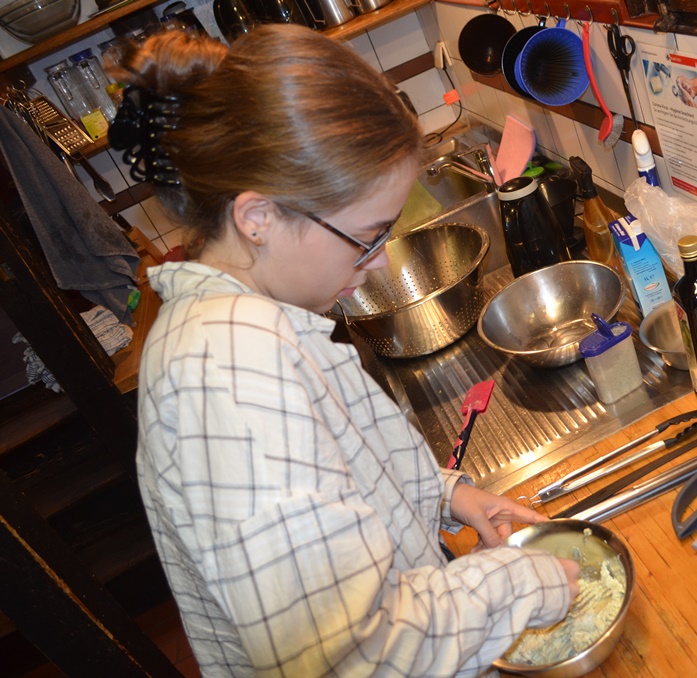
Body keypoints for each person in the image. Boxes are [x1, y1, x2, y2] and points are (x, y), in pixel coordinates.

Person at [112, 24, 579, 677]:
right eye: (367, 236)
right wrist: (523, 582)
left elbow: (346, 465)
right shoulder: (227, 379)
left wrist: (449, 498)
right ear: (258, 218)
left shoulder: (257, 321)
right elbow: (352, 654)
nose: (380, 259)